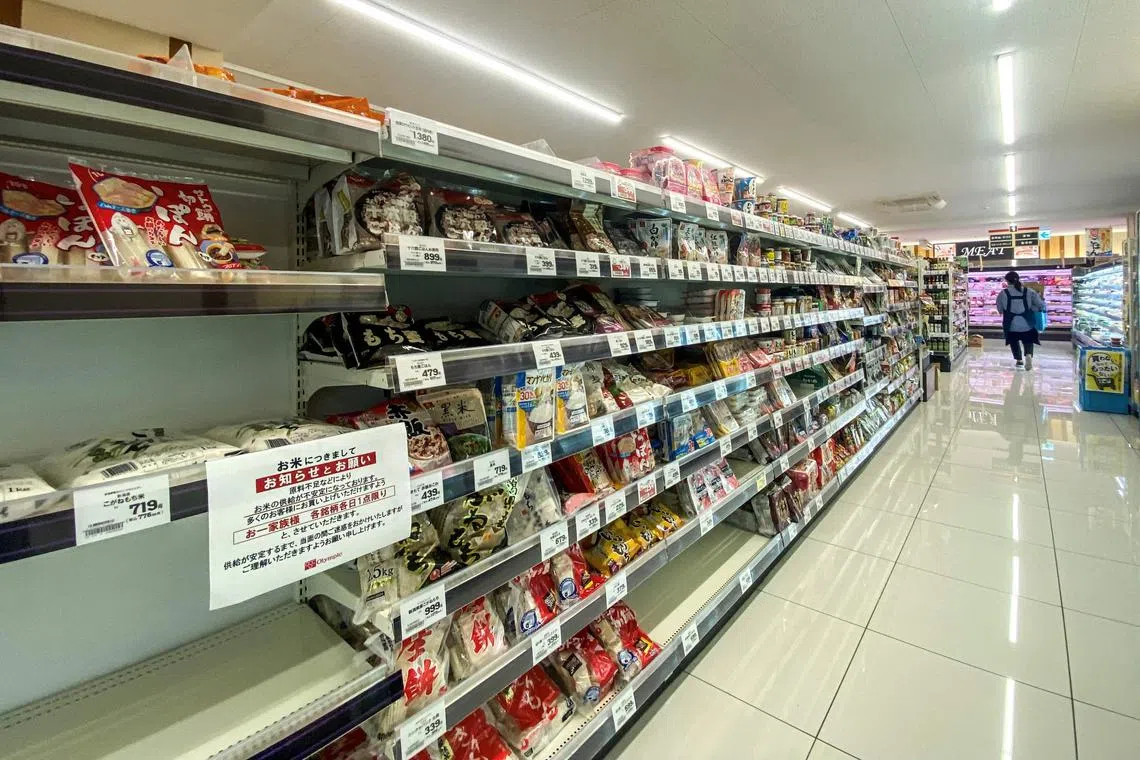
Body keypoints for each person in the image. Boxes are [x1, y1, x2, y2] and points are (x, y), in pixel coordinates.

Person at [995, 270, 1046, 369]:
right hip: (1027, 323)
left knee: (1013, 341)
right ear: (1018, 279)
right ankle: (1028, 355)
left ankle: (1019, 360)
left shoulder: (1003, 293)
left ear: (1007, 281)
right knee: (1028, 340)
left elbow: (1000, 309)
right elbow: (1040, 306)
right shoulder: (1029, 291)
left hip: (1011, 324)